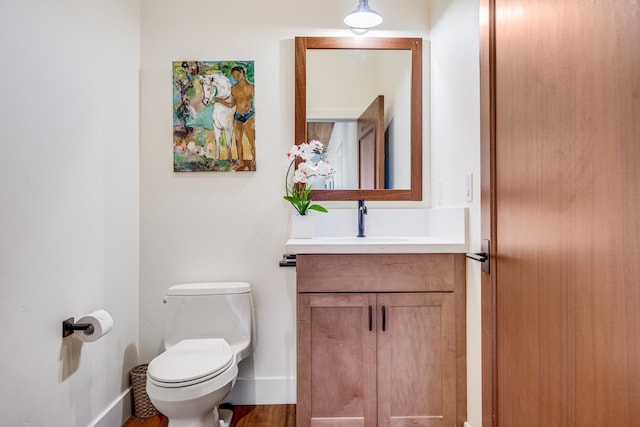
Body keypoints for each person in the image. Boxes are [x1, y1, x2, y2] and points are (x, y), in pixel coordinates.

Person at [229, 66, 256, 171]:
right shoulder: (233, 89)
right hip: (237, 116)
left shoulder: (252, 87)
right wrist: (219, 100)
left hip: (249, 115)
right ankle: (241, 162)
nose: (236, 77)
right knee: (238, 141)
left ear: (243, 74)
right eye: (234, 76)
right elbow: (232, 104)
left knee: (252, 141)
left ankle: (254, 161)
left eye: (238, 75)